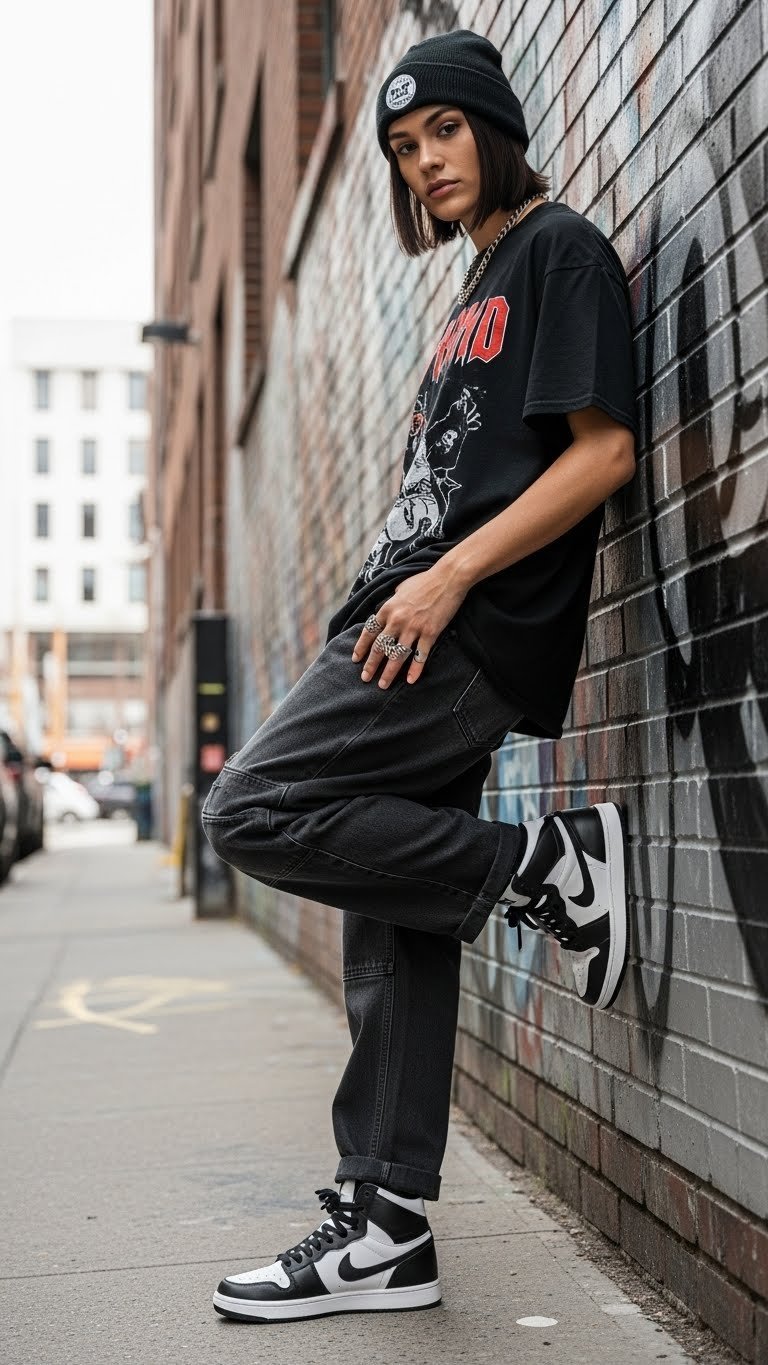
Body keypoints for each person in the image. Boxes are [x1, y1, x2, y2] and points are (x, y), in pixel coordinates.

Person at [201, 28, 638, 1324]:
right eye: (400, 149)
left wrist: (446, 583)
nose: (424, 162)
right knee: (390, 910)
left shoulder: (559, 252)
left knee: (250, 808)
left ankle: (546, 868)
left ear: (491, 126)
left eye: (442, 131)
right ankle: (383, 1224)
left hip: (462, 631)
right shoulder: (473, 290)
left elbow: (601, 453)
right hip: (408, 621)